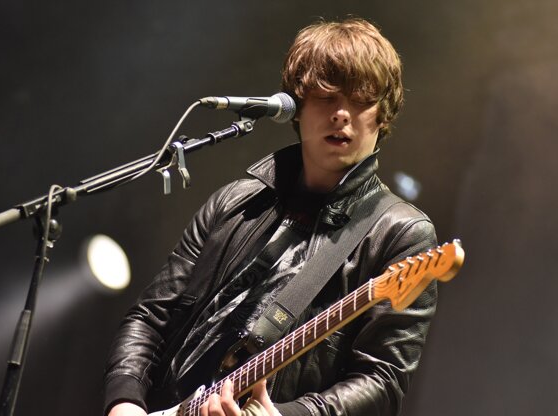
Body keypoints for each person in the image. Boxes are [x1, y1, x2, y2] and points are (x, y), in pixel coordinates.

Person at [104, 17, 438, 416]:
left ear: (383, 115)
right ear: (296, 106)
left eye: (361, 99)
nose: (342, 114)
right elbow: (151, 315)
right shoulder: (236, 201)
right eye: (327, 96)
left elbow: (383, 380)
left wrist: (284, 415)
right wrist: (124, 403)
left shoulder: (401, 234)